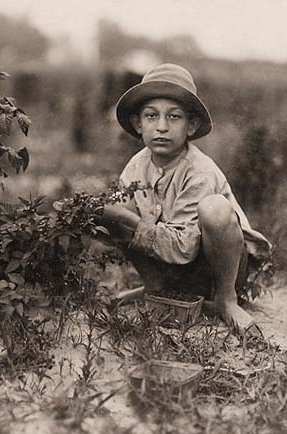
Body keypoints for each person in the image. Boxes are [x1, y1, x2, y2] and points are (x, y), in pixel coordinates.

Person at [101, 63, 271, 332]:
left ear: (191, 125)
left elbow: (183, 249)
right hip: (170, 268)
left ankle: (227, 300)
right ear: (137, 123)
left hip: (215, 269)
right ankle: (155, 287)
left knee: (215, 208)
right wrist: (113, 216)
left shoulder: (198, 171)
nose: (161, 127)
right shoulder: (136, 165)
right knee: (113, 207)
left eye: (174, 117)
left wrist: (126, 221)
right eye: (150, 116)